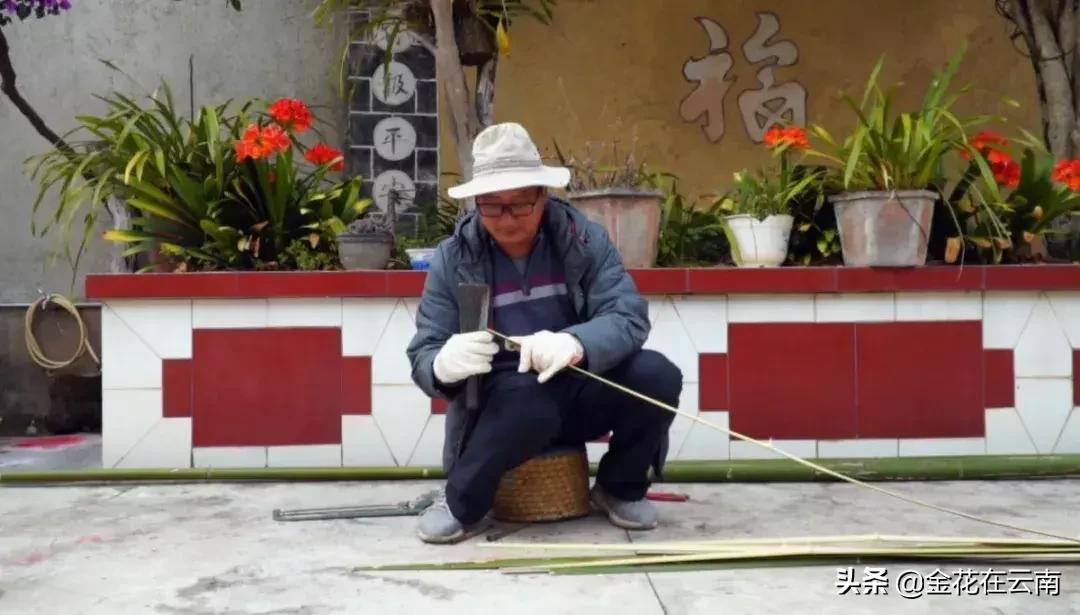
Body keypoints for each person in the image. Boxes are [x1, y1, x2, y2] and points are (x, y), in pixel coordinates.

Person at [405, 122, 682, 544]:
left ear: (543, 195)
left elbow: (627, 315)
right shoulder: (453, 258)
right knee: (526, 398)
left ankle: (619, 487)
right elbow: (424, 350)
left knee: (657, 374)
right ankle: (463, 504)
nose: (508, 218)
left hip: (581, 381)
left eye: (520, 204)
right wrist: (443, 364)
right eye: (492, 205)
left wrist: (576, 343)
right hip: (505, 404)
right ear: (476, 203)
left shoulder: (583, 240)